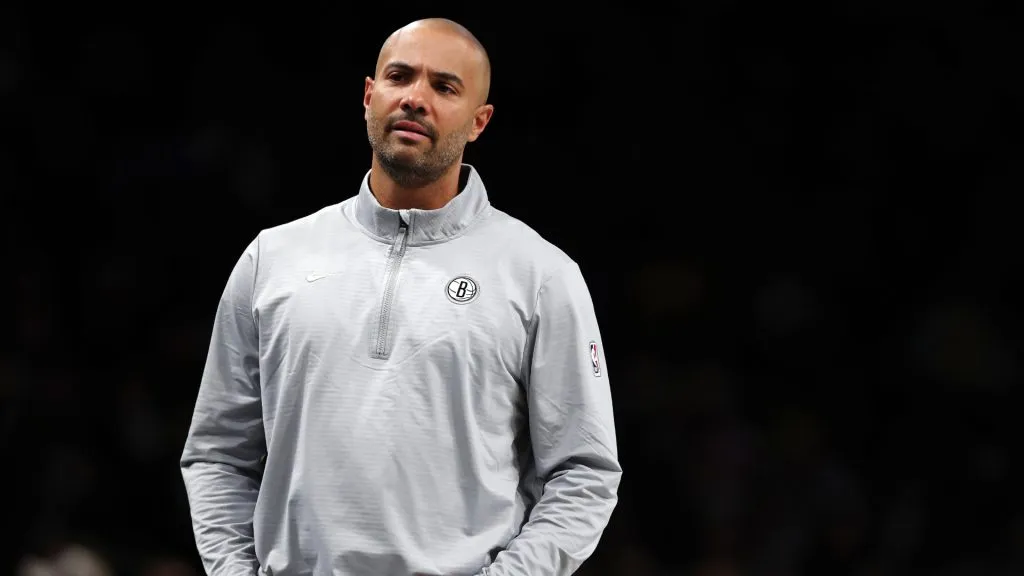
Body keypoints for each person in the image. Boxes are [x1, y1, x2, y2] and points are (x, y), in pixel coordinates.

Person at [180, 17, 621, 576]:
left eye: (444, 87)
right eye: (399, 77)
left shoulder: (540, 275)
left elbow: (585, 472)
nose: (415, 98)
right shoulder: (274, 258)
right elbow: (218, 453)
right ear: (369, 96)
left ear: (479, 121)